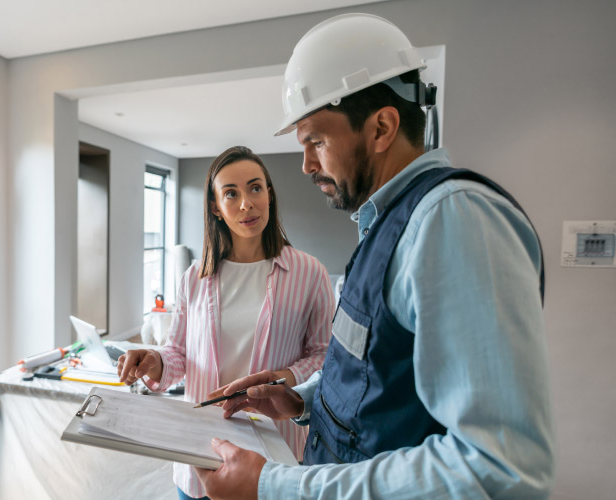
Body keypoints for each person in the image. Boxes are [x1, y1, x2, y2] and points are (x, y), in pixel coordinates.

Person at [195, 13, 555, 499]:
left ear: (382, 126)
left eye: (316, 142)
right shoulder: (390, 226)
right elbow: (377, 379)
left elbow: (497, 467)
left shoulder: (453, 221)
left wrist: (273, 487)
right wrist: (300, 400)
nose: (306, 165)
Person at [118, 146, 336, 500]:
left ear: (269, 194)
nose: (246, 203)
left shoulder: (310, 273)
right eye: (231, 194)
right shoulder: (195, 278)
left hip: (275, 460)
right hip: (201, 456)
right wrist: (155, 362)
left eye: (255, 188)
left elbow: (325, 355)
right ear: (216, 207)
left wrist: (281, 382)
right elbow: (178, 353)